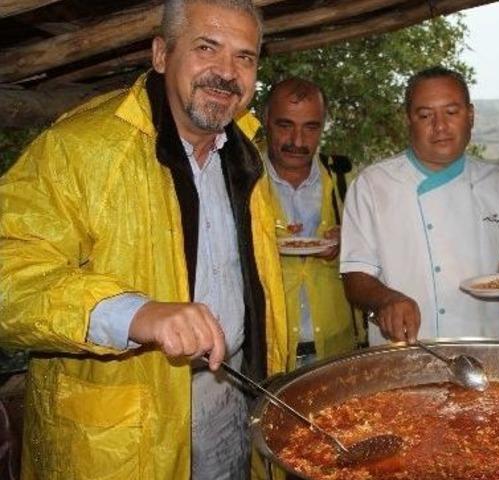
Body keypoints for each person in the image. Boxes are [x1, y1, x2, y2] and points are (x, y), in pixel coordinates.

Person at [0, 0, 289, 478]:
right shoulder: (81, 146)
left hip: (231, 396)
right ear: (160, 54)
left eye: (245, 57)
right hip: (121, 431)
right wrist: (135, 312)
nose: (226, 72)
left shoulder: (245, 155)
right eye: (206, 48)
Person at [340, 66, 499, 344]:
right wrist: (385, 299)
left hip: (484, 348)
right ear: (408, 120)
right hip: (405, 352)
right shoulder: (372, 185)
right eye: (425, 115)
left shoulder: (498, 183)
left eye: (452, 113)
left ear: (471, 115)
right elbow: (355, 277)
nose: (440, 126)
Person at [263, 77, 364, 369]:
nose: (297, 141)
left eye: (310, 127)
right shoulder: (242, 182)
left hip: (337, 352)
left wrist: (351, 242)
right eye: (285, 126)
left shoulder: (347, 182)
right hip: (268, 356)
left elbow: (382, 254)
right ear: (266, 120)